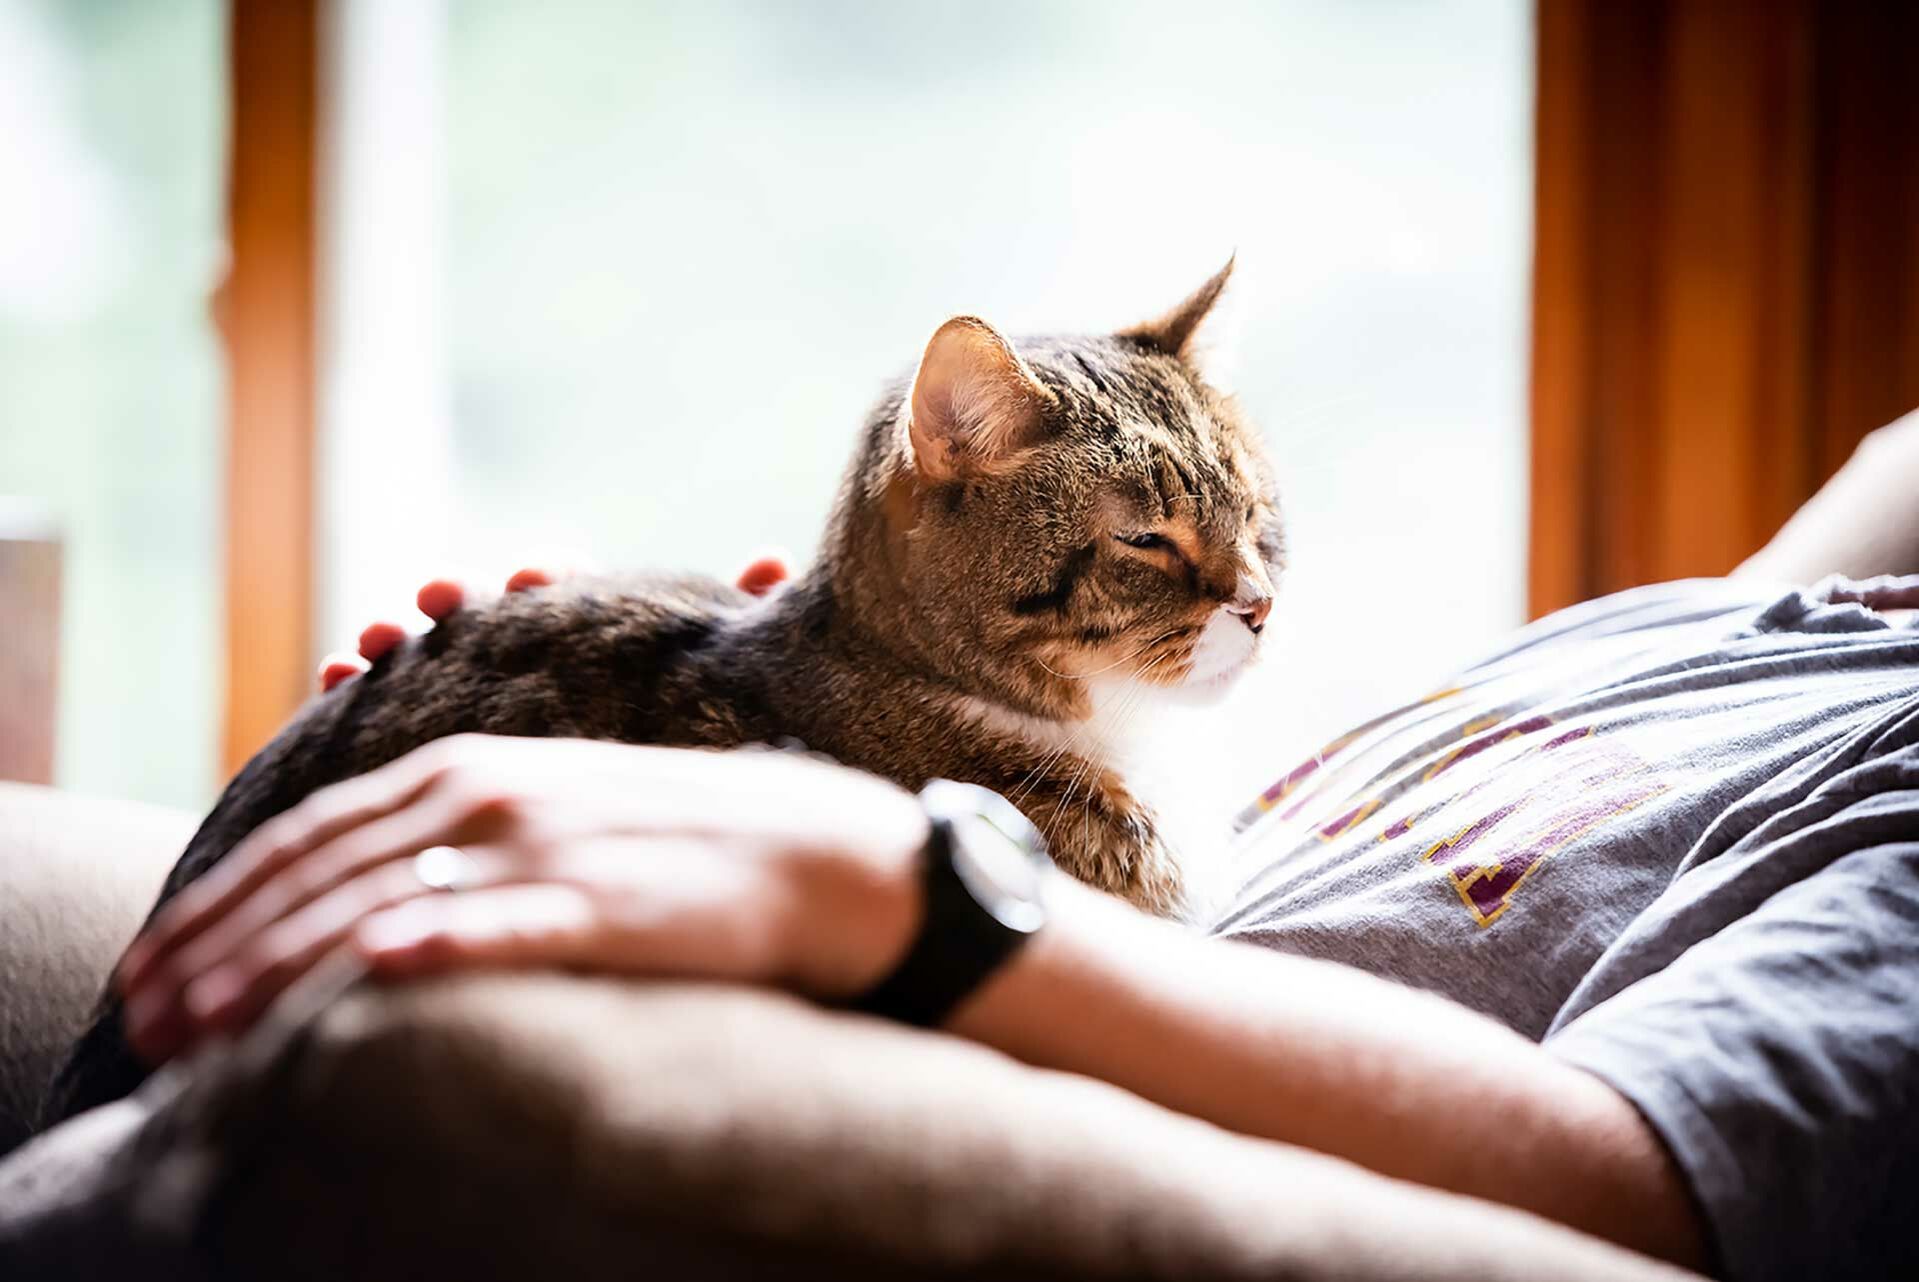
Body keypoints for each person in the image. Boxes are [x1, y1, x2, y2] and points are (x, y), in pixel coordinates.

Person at [114, 413, 1919, 1281]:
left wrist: (894, 881)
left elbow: (1641, 1187)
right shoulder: (1754, 620)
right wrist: (767, 666)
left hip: (1004, 1034)